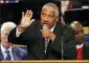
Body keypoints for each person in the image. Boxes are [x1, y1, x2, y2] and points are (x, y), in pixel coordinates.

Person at [8, 2, 74, 60]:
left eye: (50, 16)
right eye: (43, 15)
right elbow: (11, 39)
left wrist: (52, 37)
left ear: (57, 19)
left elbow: (71, 54)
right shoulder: (32, 26)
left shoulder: (66, 30)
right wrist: (21, 28)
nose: (45, 19)